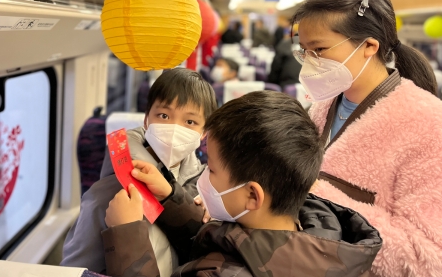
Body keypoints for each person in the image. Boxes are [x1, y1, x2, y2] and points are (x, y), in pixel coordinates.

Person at [102, 91, 382, 277]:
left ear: (252, 196)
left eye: (210, 169)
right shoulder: (311, 227)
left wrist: (126, 235)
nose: (203, 179)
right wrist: (169, 196)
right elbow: (229, 240)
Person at [292, 0, 442, 277]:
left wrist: (321, 194)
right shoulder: (320, 110)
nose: (309, 62)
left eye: (319, 50)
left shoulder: (428, 125)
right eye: (304, 51)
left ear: (369, 46)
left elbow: (427, 259)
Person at [61, 68, 217, 276]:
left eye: (189, 122)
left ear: (204, 133)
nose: (173, 128)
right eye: (164, 115)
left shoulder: (207, 188)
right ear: (146, 121)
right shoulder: (107, 194)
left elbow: (206, 250)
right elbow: (78, 270)